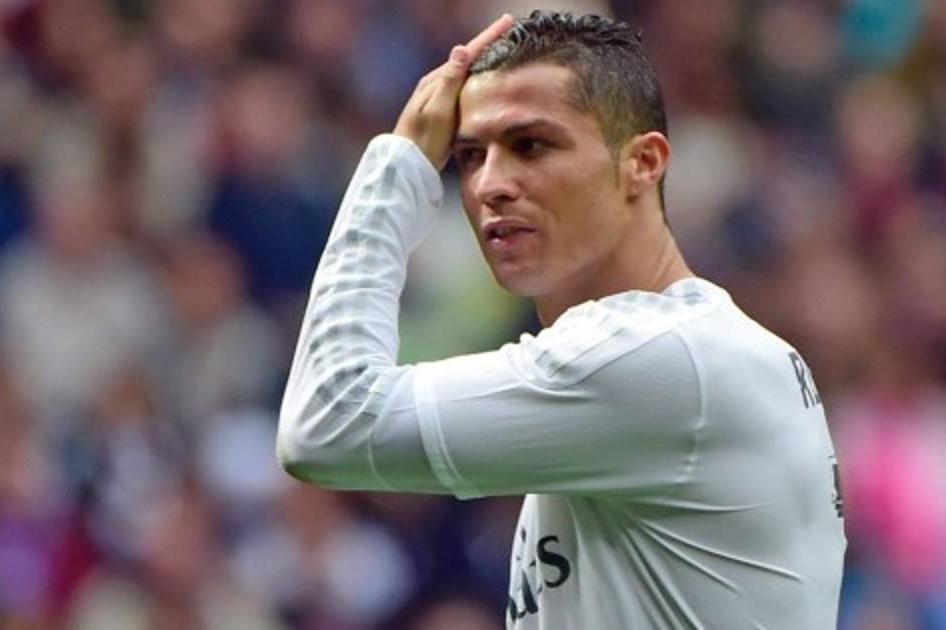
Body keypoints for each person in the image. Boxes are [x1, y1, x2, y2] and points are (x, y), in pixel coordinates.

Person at [276, 10, 846, 629]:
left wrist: (400, 163)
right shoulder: (689, 351)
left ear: (643, 162)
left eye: (531, 146)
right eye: (468, 156)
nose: (490, 184)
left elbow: (328, 422)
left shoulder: (657, 357)